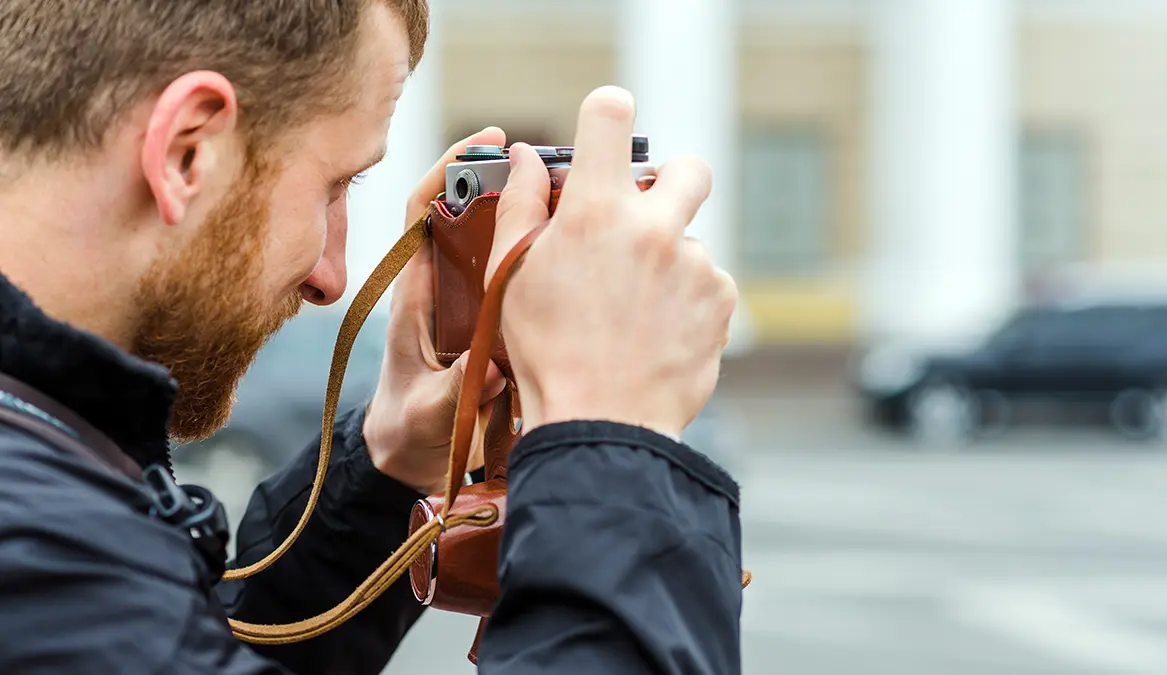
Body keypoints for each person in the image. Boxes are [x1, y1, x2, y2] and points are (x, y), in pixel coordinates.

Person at [0, 0, 744, 673]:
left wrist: (383, 468)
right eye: (335, 184)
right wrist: (613, 445)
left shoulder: (46, 502)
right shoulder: (36, 547)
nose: (332, 275)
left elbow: (182, 645)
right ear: (186, 152)